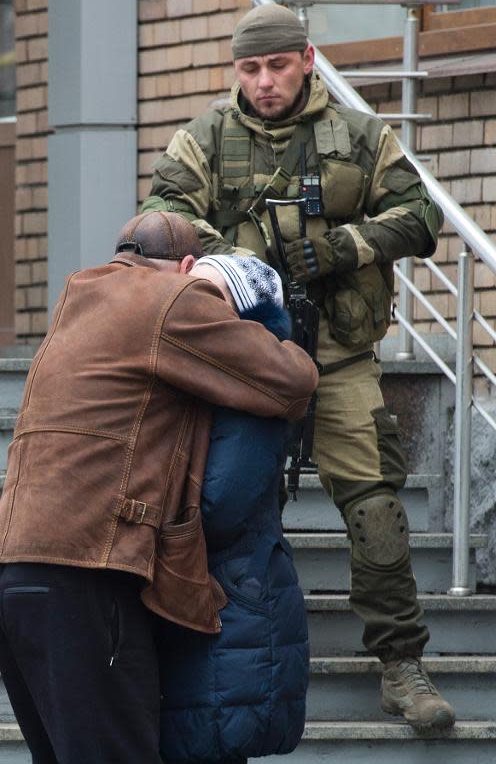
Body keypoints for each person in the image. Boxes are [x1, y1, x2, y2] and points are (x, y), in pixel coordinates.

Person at [141, 4, 455, 730]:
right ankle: (219, 663)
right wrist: (236, 257)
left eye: (276, 65)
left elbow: (420, 214)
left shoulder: (359, 135)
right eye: (249, 68)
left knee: (374, 505)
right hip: (246, 361)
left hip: (340, 355)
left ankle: (401, 666)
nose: (264, 82)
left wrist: (344, 248)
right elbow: (162, 210)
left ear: (307, 60)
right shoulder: (206, 138)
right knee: (232, 507)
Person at [0, 211, 318, 764]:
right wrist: (264, 322)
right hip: (91, 575)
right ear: (188, 268)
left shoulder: (77, 299)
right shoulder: (171, 297)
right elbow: (294, 381)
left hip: (17, 570)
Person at [157, 255, 309, 764]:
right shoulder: (217, 380)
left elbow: (221, 504)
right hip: (227, 591)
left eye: (205, 297)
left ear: (238, 314)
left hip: (233, 597)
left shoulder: (252, 391)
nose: (186, 308)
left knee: (213, 743)